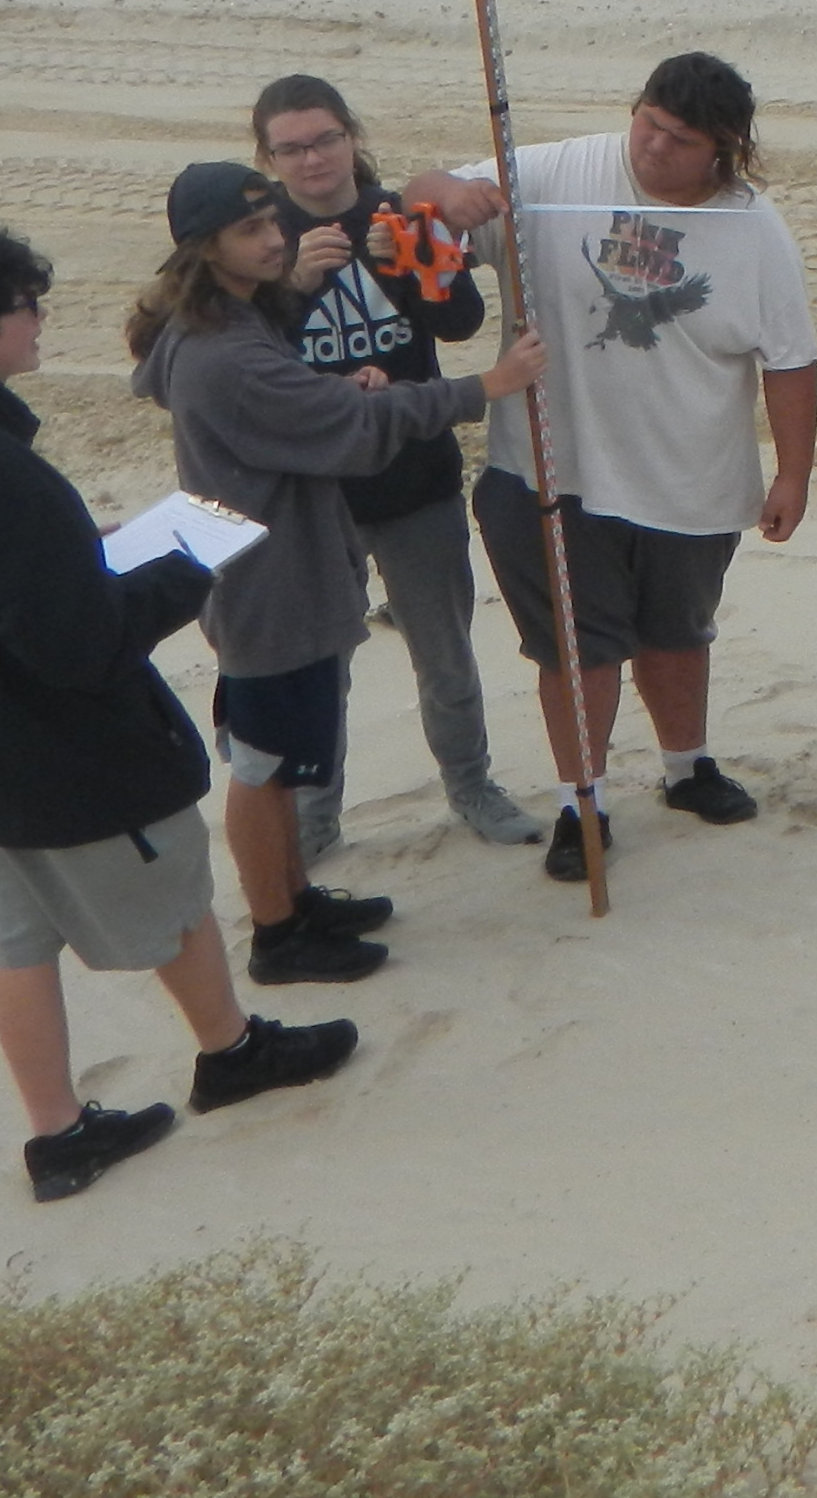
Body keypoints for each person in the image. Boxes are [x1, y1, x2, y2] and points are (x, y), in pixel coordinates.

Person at [0, 215, 363, 1203]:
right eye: (26, 309)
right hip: (70, 757)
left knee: (20, 944)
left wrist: (74, 555)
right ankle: (230, 1051)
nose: (38, 323)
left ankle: (57, 1133)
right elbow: (75, 646)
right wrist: (185, 563)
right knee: (180, 901)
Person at [400, 55, 817, 884]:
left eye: (681, 138)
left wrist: (792, 475)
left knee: (677, 631)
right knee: (576, 649)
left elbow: (792, 360)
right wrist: (447, 198)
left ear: (722, 151)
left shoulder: (754, 228)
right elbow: (423, 188)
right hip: (553, 470)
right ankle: (580, 800)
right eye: (648, 122)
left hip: (690, 470)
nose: (655, 146)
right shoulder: (562, 169)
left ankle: (686, 765)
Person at [127, 163, 544, 975]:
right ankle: (277, 933)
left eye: (269, 224)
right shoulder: (222, 353)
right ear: (204, 250)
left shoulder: (237, 321)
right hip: (267, 581)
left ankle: (294, 898)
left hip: (282, 563)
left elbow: (311, 400)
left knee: (283, 757)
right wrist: (485, 387)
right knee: (263, 767)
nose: (273, 237)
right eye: (251, 230)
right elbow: (345, 419)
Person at [250, 75, 545, 853]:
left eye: (325, 140)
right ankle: (316, 819)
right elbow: (234, 362)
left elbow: (462, 322)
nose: (312, 160)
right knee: (321, 667)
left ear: (351, 137)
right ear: (269, 158)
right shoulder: (258, 238)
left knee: (444, 653)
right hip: (313, 491)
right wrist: (294, 284)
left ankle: (472, 787)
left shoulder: (396, 213)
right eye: (292, 148)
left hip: (415, 475)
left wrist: (419, 264)